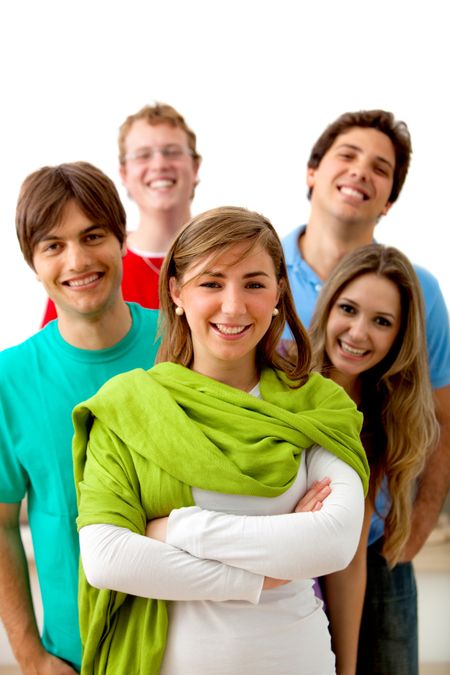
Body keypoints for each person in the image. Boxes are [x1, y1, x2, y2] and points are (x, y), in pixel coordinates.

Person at [72, 206, 370, 675]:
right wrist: (260, 577)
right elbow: (107, 559)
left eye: (254, 283)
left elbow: (332, 542)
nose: (233, 306)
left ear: (277, 292)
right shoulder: (127, 408)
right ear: (177, 292)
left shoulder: (317, 406)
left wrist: (178, 530)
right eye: (211, 283)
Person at [282, 109, 450, 674]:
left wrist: (417, 525)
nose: (361, 173)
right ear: (312, 170)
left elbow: (438, 418)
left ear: (389, 201)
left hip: (375, 548)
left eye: (381, 168)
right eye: (348, 156)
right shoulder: (259, 275)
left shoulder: (419, 291)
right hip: (279, 542)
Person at [0, 162, 159, 674]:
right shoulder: (10, 378)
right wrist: (31, 658)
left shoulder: (182, 346)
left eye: (93, 235)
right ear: (33, 261)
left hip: (197, 640)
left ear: (122, 240)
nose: (78, 259)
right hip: (78, 655)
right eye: (53, 245)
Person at [306, 243, 439, 674]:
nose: (359, 333)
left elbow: (352, 553)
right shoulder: (285, 381)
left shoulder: (384, 411)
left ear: (400, 336)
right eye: (348, 309)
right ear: (327, 308)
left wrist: (346, 667)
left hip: (347, 568)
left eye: (381, 322)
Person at [41, 102, 201, 323]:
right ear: (124, 174)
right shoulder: (92, 266)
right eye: (143, 155)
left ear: (195, 167)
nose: (159, 164)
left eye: (172, 152)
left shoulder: (226, 256)